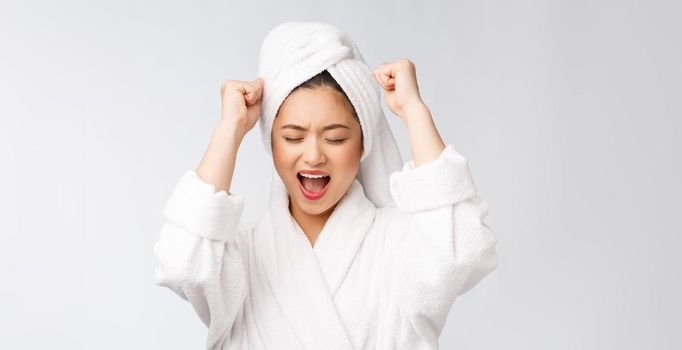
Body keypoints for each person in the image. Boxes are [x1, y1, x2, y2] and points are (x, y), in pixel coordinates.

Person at [154, 22, 498, 349]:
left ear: (363, 143)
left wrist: (413, 111)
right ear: (270, 143)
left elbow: (461, 251)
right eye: (293, 136)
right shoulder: (241, 257)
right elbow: (183, 262)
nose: (314, 155)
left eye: (335, 137)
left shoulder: (397, 244)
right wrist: (229, 129)